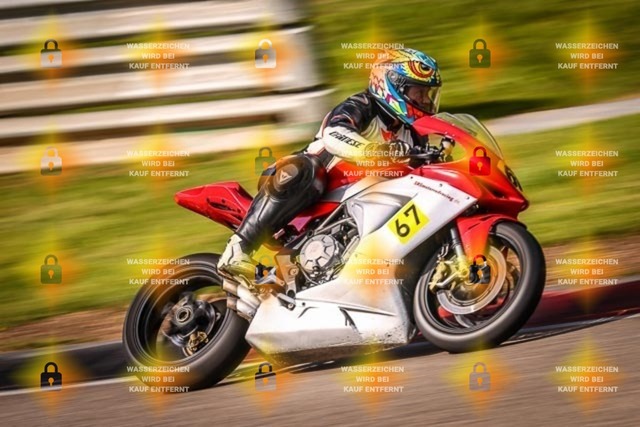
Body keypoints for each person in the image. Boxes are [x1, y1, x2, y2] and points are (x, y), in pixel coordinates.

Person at [217, 48, 442, 279]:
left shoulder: (412, 132)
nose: (425, 101)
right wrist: (371, 150)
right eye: (419, 93)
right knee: (306, 169)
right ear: (392, 85)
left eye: (428, 94)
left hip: (361, 199)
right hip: (299, 184)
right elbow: (334, 133)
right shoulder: (362, 105)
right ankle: (238, 248)